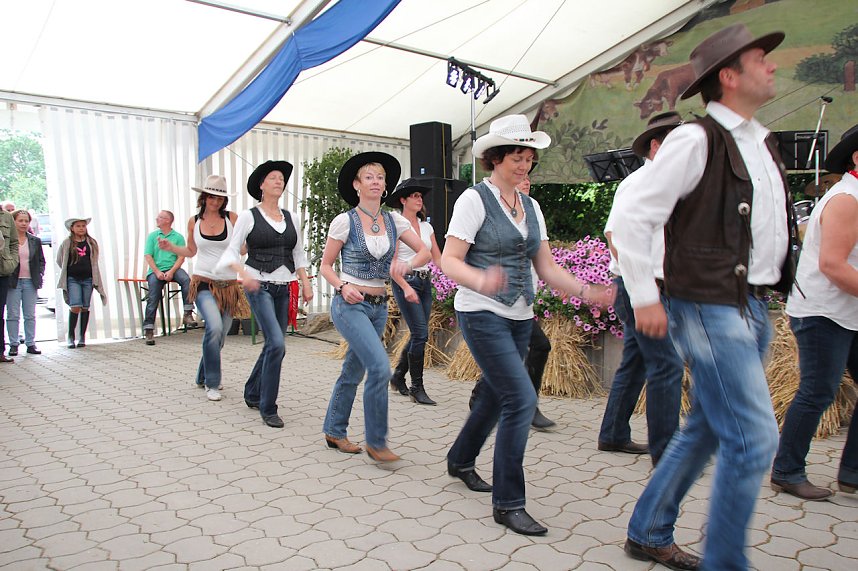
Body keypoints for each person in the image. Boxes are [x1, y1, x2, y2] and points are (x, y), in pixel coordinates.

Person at [612, 24, 796, 570]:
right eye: (761, 59)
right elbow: (632, 217)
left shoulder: (760, 141)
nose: (773, 67)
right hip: (710, 305)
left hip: (751, 304)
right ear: (730, 75)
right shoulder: (696, 139)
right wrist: (644, 296)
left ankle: (648, 531)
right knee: (754, 438)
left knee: (709, 428)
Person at [442, 115, 613, 536]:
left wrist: (587, 291)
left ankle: (461, 459)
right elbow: (448, 260)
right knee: (520, 399)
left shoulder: (532, 207)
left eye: (530, 158)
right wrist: (481, 279)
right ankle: (509, 503)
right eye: (517, 157)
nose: (525, 165)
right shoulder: (473, 201)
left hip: (520, 314)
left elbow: (548, 267)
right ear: (496, 157)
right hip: (480, 311)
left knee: (496, 396)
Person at [320, 152, 430, 461]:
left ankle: (334, 431)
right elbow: (326, 266)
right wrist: (343, 286)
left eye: (380, 177)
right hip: (349, 305)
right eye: (368, 177)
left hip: (379, 307)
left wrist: (404, 268)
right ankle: (377, 442)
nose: (375, 181)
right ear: (356, 185)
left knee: (353, 370)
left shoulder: (395, 220)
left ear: (385, 187)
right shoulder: (344, 221)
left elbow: (425, 251)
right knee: (380, 367)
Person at [770, 125, 858, 500]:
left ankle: (852, 472)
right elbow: (833, 265)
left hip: (846, 312)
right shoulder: (847, 200)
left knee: (818, 389)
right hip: (824, 313)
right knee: (817, 391)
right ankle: (786, 470)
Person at [598, 112, 684, 465]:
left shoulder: (670, 185)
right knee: (668, 365)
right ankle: (669, 450)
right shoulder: (638, 184)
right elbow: (615, 236)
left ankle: (614, 433)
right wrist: (641, 289)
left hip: (652, 287)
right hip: (640, 288)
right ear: (655, 145)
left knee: (635, 363)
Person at [218, 161, 313, 428]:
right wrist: (243, 274)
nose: (278, 181)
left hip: (285, 286)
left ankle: (252, 390)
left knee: (274, 344)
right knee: (277, 344)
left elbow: (298, 255)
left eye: (281, 178)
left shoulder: (291, 217)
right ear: (261, 185)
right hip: (259, 285)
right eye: (272, 178)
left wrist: (305, 284)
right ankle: (268, 407)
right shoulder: (249, 216)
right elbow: (231, 252)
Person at [466, 172, 559, 430]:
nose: (526, 180)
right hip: (489, 304)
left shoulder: (533, 211)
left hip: (521, 302)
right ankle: (526, 406)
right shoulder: (481, 203)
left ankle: (490, 399)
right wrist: (483, 279)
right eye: (520, 176)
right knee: (531, 349)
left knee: (523, 352)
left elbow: (544, 260)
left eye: (529, 175)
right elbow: (455, 258)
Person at [158, 175, 242, 402]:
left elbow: (241, 249)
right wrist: (170, 247)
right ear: (203, 197)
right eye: (211, 197)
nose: (215, 202)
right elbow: (190, 251)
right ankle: (212, 383)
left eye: (220, 198)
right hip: (203, 281)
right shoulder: (193, 221)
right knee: (213, 327)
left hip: (229, 285)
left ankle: (201, 375)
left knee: (221, 336)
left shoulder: (233, 218)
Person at [386, 178, 443, 405]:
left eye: (421, 196)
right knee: (420, 334)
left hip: (424, 281)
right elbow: (391, 264)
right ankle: (416, 387)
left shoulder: (427, 227)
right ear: (403, 200)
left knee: (419, 333)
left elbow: (437, 257)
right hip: (405, 281)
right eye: (414, 196)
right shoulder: (397, 225)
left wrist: (460, 276)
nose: (419, 199)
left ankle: (398, 376)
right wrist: (406, 286)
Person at [142, 210, 195, 345]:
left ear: (168, 220)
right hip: (156, 270)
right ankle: (148, 329)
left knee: (186, 280)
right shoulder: (153, 236)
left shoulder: (177, 237)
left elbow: (181, 257)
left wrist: (171, 271)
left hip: (173, 268)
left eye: (160, 217)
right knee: (153, 296)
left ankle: (188, 313)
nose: (156, 219)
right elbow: (148, 255)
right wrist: (157, 271)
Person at [57, 216, 108, 348]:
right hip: (73, 278)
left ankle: (82, 337)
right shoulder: (67, 243)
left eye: (83, 226)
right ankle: (71, 336)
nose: (81, 228)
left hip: (88, 278)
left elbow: (94, 260)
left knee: (85, 306)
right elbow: (60, 260)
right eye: (78, 226)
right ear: (72, 228)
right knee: (75, 305)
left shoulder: (91, 242)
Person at [5, 210, 46, 356]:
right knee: (13, 314)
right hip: (13, 281)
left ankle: (31, 343)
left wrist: (40, 273)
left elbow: (41, 260)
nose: (23, 223)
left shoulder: (35, 240)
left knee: (30, 314)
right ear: (13, 222)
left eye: (26, 221)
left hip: (30, 281)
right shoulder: (8, 240)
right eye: (20, 220)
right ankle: (14, 344)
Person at [0, 208, 18, 362]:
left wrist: (12, 262)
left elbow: (13, 242)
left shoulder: (6, 216)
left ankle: (0, 352)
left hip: (2, 272)